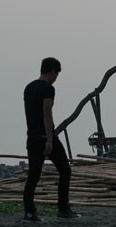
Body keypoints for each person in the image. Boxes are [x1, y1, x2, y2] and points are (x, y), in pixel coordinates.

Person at [22, 57, 80, 222]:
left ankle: (29, 212)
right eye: (57, 75)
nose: (56, 79)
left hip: (32, 137)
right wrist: (49, 140)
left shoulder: (28, 87)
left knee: (33, 176)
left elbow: (29, 113)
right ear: (53, 71)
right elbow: (47, 113)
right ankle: (63, 209)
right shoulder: (48, 88)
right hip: (45, 137)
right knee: (65, 171)